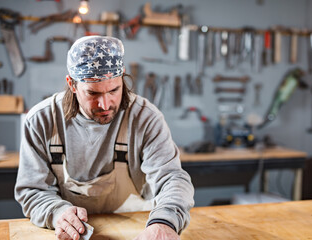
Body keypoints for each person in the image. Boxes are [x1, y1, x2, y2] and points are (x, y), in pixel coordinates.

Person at [15, 35, 194, 240]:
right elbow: (31, 189)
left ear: (122, 76)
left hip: (137, 229)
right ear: (72, 84)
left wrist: (164, 222)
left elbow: (172, 178)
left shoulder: (145, 118)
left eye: (114, 90)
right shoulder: (41, 120)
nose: (105, 104)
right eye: (93, 93)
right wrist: (56, 212)